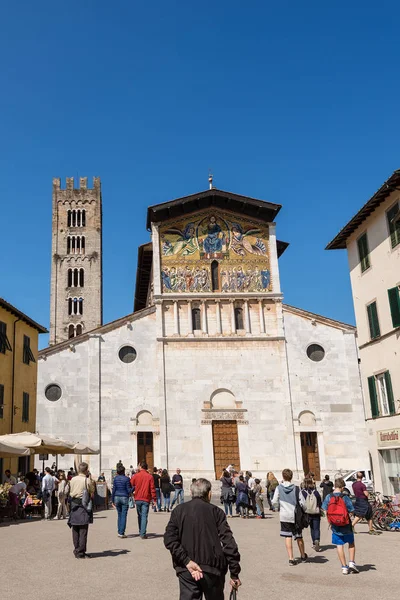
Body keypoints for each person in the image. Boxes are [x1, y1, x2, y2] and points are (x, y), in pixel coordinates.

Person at [164, 478, 241, 600]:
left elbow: (169, 539)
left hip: (186, 569)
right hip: (212, 568)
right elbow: (229, 543)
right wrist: (234, 573)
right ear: (209, 493)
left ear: (191, 492)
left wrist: (187, 561)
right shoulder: (217, 512)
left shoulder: (179, 510)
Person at [322, 477, 358, 575]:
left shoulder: (329, 497)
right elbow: (351, 510)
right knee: (351, 543)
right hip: (345, 524)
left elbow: (324, 509)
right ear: (342, 487)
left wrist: (329, 520)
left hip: (334, 524)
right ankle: (351, 562)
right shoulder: (345, 497)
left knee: (339, 545)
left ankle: (344, 567)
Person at [272, 469, 307, 566]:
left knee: (287, 536)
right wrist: (305, 510)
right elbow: (302, 502)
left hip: (284, 515)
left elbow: (274, 501)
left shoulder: (279, 488)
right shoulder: (296, 488)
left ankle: (291, 558)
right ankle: (303, 555)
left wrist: (278, 506)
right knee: (299, 536)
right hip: (295, 515)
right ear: (291, 477)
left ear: (283, 477)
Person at [68, 462, 95, 558]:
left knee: (75, 529)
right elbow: (92, 491)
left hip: (73, 505)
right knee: (83, 530)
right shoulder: (87, 480)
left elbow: (68, 491)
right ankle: (80, 551)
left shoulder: (72, 479)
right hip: (83, 505)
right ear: (86, 470)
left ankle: (77, 549)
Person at [130, 461, 156, 539]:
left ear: (141, 466)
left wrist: (133, 491)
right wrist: (154, 499)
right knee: (144, 516)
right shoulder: (150, 476)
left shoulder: (136, 476)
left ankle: (141, 530)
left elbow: (130, 483)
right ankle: (143, 533)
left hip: (137, 498)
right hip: (146, 498)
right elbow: (152, 489)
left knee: (139, 515)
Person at [300, 477, 322, 551]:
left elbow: (301, 503)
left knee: (312, 528)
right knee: (316, 528)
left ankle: (313, 543)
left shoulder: (302, 492)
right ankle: (317, 539)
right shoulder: (315, 492)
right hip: (316, 512)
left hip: (307, 513)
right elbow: (319, 501)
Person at [112, 464, 132, 538]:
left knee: (119, 515)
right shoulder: (127, 479)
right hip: (124, 497)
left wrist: (112, 499)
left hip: (117, 496)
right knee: (123, 515)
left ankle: (119, 531)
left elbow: (113, 490)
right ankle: (121, 532)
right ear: (123, 471)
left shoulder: (115, 479)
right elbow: (128, 490)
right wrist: (134, 488)